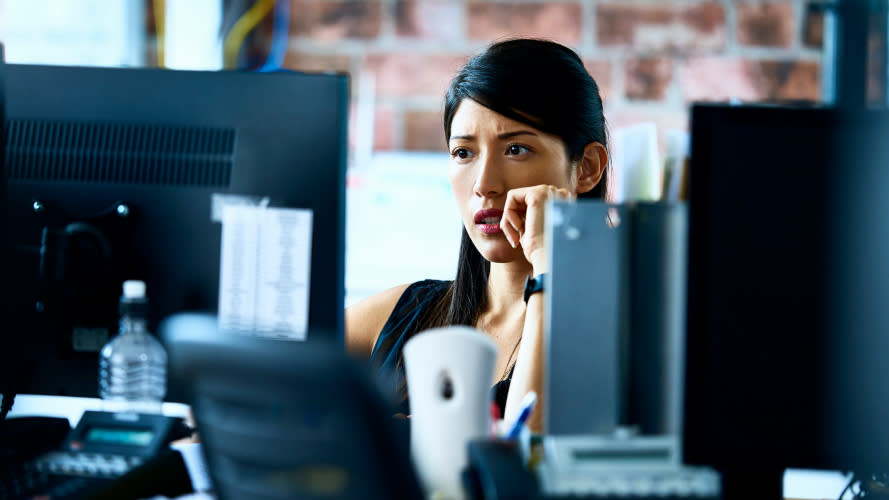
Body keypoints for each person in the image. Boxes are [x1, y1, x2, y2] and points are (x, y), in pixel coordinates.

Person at [346, 38, 609, 433]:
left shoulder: (618, 335)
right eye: (463, 153)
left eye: (517, 148)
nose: (484, 185)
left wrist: (551, 270)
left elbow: (529, 458)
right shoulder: (404, 315)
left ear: (587, 168)